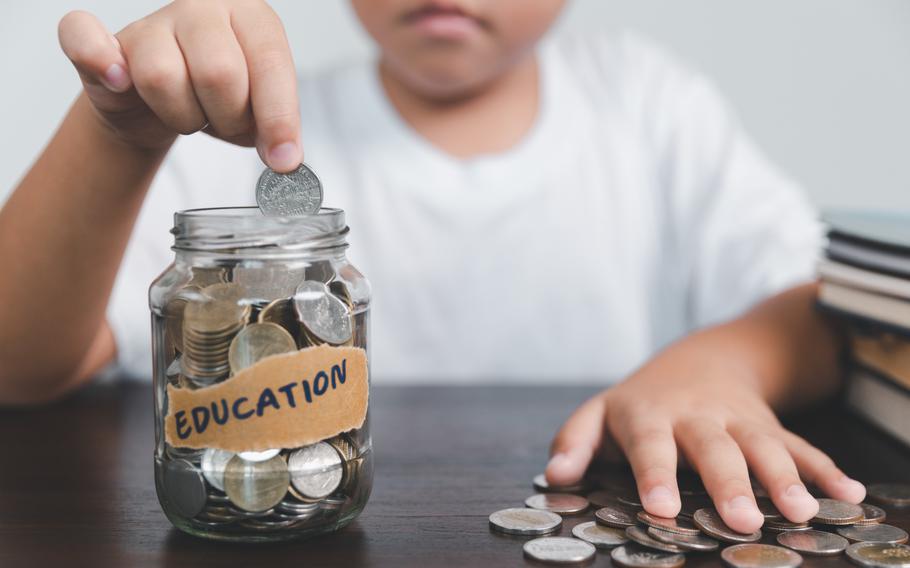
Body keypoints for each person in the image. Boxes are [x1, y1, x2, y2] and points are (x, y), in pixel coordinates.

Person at [0, 0, 864, 534]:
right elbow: (23, 365)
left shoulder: (650, 108)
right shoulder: (232, 125)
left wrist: (713, 367)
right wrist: (118, 136)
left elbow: (826, 306)